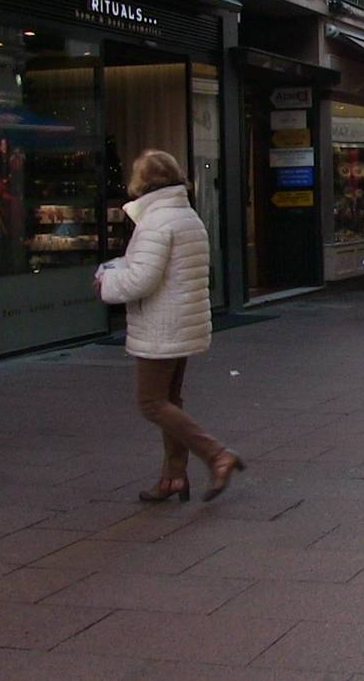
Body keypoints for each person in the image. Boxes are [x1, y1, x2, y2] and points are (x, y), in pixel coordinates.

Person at [97, 150, 242, 503]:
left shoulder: (156, 221)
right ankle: (173, 477)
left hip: (161, 324)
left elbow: (141, 280)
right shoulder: (187, 215)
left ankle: (216, 454)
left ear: (142, 182)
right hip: (185, 320)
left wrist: (107, 282)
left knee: (151, 402)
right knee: (170, 400)